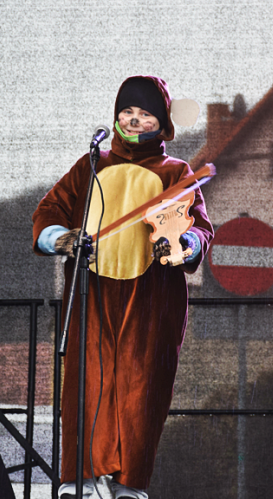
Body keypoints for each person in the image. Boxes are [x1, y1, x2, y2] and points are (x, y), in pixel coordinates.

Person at [33, 76, 213, 499]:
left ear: (162, 122)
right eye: (126, 112)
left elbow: (200, 229)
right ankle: (78, 480)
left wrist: (184, 244)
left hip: (149, 298)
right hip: (91, 293)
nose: (133, 120)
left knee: (140, 387)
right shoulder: (93, 164)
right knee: (86, 383)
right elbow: (50, 209)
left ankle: (130, 485)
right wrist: (60, 237)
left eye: (144, 113)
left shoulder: (176, 172)